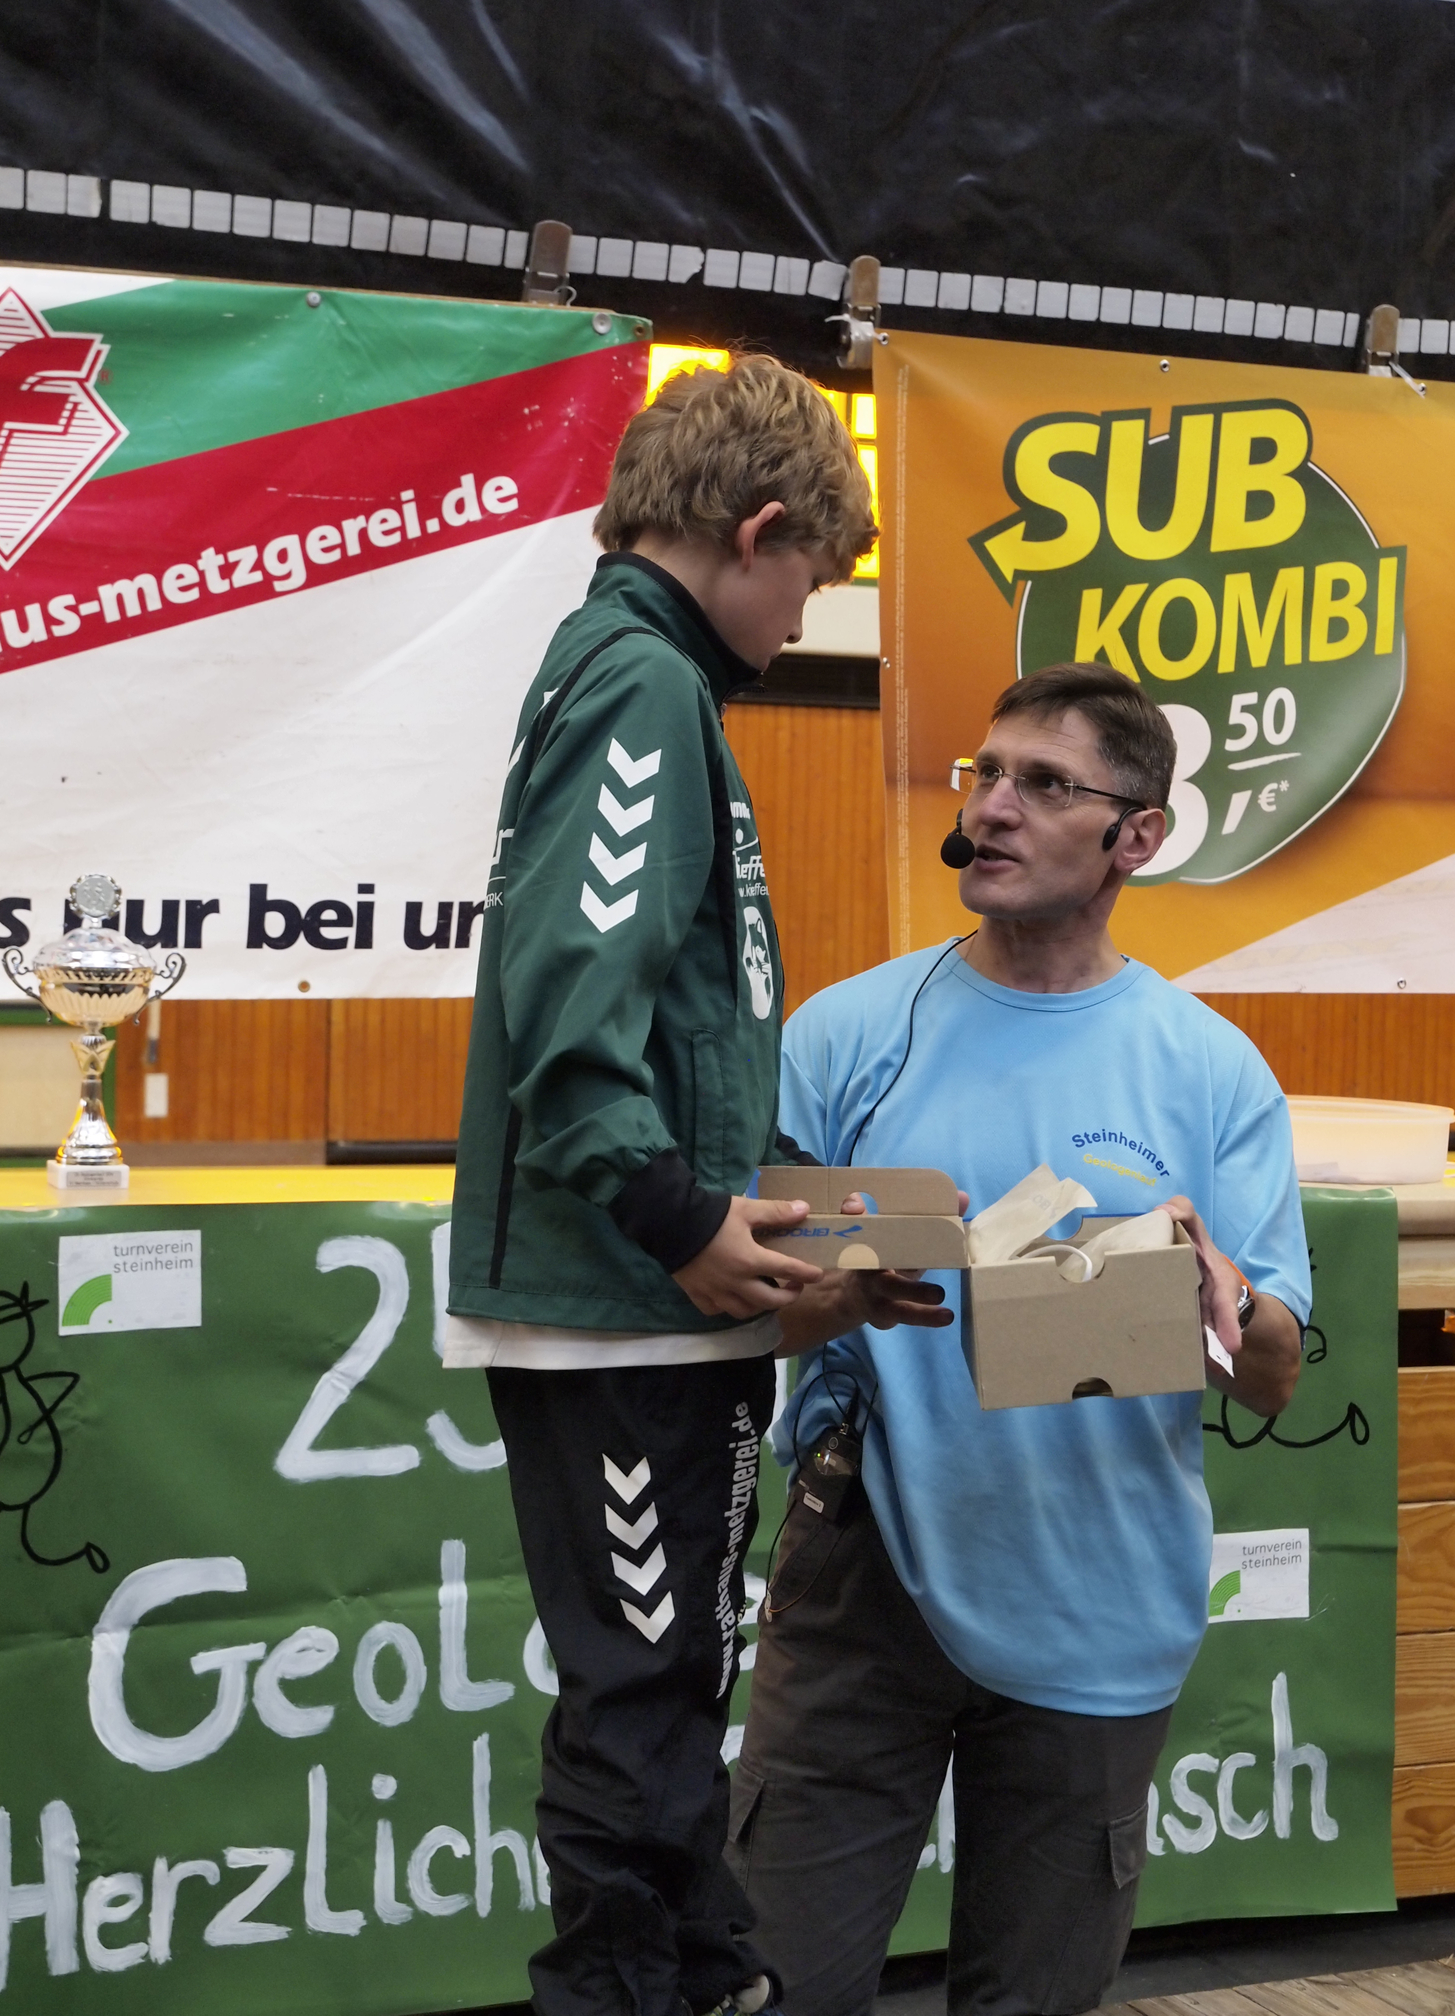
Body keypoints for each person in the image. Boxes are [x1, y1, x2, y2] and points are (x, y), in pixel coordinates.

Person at [445, 356, 926, 2016]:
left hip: (655, 1301)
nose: (804, 619)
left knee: (669, 1681)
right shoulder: (640, 684)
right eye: (815, 581)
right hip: (620, 1301)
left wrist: (785, 1215)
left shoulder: (648, 684)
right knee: (641, 1697)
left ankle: (706, 1968)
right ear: (760, 529)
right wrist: (679, 1218)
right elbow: (570, 1013)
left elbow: (665, 1033)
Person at [729, 663, 1310, 2016]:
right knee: (776, 1984)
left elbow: (1274, 1377)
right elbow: (758, 1304)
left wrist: (1216, 1298)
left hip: (1100, 1589)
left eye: (1045, 785)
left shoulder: (1210, 1066)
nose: (992, 808)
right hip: (861, 1573)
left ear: (1137, 835)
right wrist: (848, 1297)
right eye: (985, 774)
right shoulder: (845, 1033)